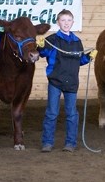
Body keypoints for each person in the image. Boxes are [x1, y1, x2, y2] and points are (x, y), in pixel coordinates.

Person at [37, 10, 93, 152]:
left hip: (72, 82)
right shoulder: (52, 40)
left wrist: (89, 57)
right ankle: (47, 143)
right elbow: (43, 53)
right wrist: (41, 46)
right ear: (58, 22)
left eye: (69, 20)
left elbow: (79, 61)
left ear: (73, 22)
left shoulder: (77, 42)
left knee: (72, 113)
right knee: (52, 113)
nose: (66, 23)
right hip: (55, 81)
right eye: (63, 20)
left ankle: (70, 143)